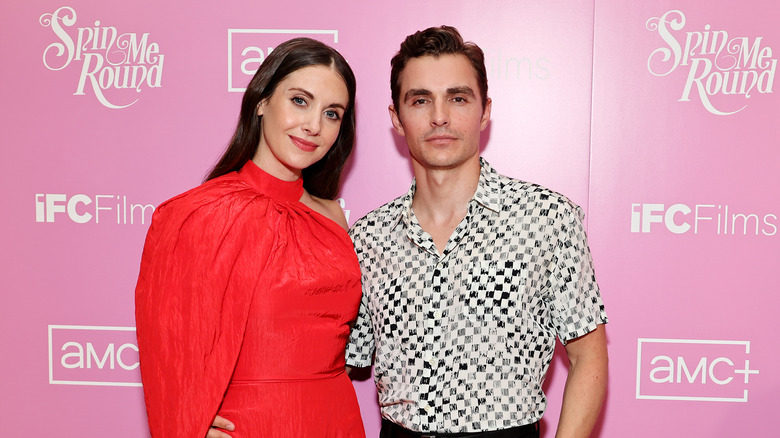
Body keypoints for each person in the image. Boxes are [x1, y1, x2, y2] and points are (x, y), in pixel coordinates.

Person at [344, 26, 609, 438]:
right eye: (420, 100)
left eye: (458, 98)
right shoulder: (368, 236)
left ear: (484, 110)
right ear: (396, 118)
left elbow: (588, 356)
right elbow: (335, 359)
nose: (439, 117)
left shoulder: (547, 218)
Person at [135, 37, 365, 438]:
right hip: (253, 424)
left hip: (336, 419)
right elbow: (169, 345)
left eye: (332, 113)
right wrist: (190, 424)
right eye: (299, 101)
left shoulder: (334, 218)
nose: (314, 125)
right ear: (261, 100)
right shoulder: (198, 213)